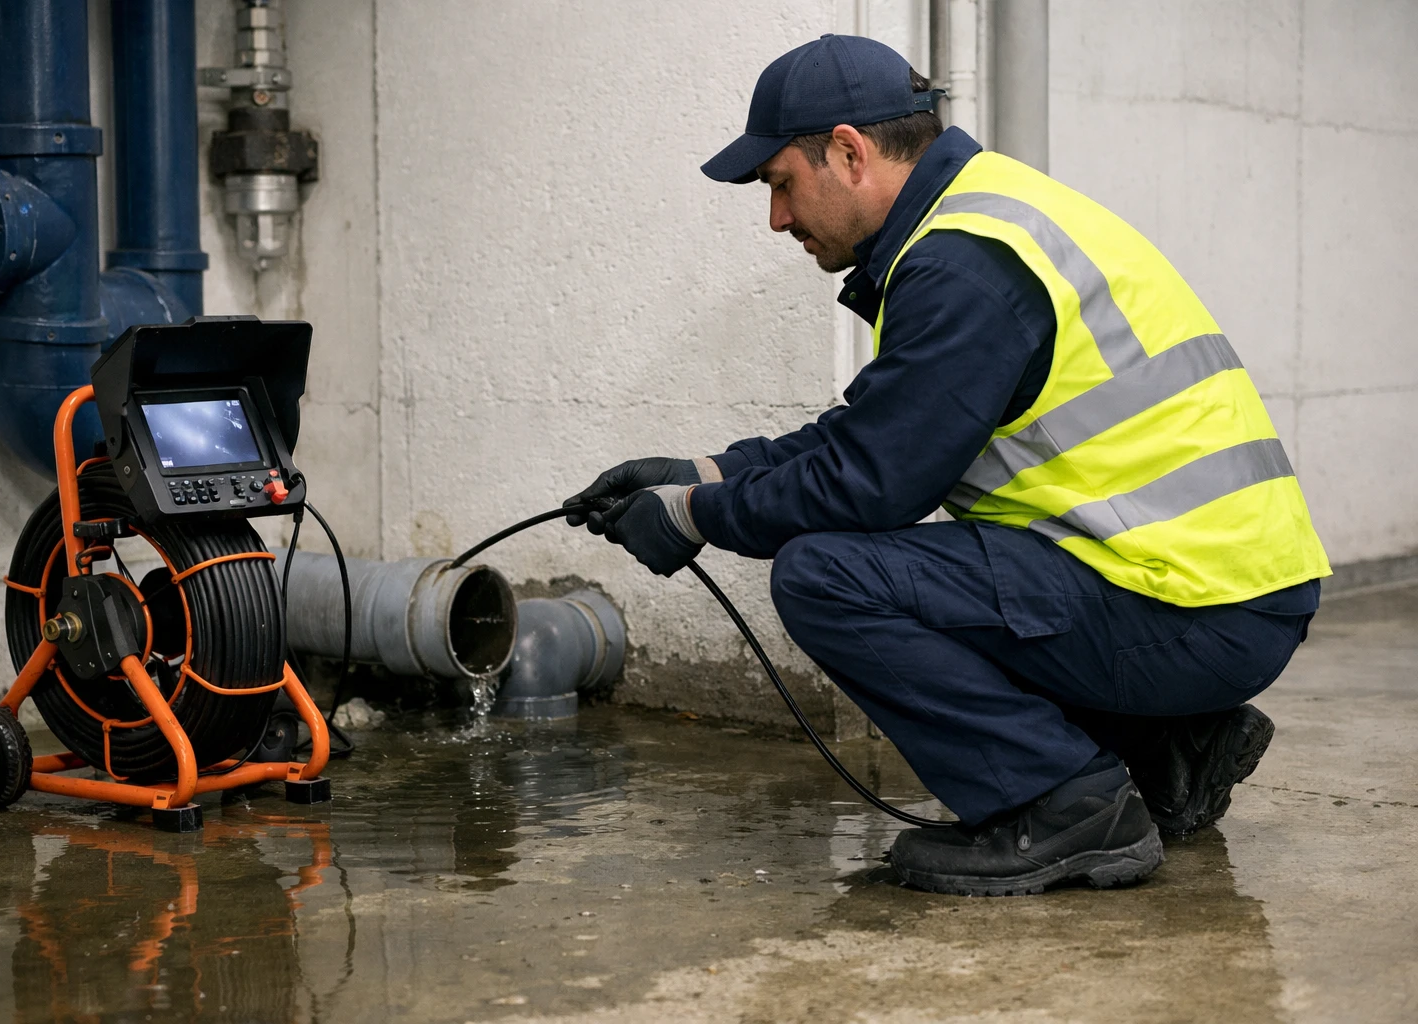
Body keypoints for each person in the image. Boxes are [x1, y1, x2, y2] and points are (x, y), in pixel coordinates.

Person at [564, 35, 1329, 896]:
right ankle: (1168, 750)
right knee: (928, 570)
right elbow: (869, 435)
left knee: (828, 576)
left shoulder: (965, 265)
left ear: (849, 152)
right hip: (1213, 589)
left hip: (1193, 607)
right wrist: (701, 472)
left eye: (781, 184)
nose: (777, 218)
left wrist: (694, 518)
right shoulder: (984, 219)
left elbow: (870, 484)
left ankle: (1068, 806)